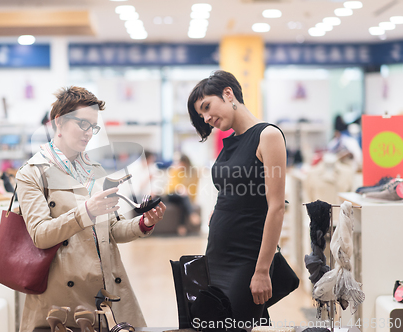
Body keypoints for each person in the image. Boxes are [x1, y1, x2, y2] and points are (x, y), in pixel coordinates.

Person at [16, 86, 166, 332]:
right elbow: (40, 235)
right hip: (62, 300)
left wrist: (144, 223)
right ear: (59, 123)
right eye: (82, 124)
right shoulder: (32, 173)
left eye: (93, 126)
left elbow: (112, 231)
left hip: (107, 294)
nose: (89, 133)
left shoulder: (94, 170)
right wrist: (86, 212)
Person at [187, 70, 287, 326]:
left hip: (248, 257)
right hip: (218, 252)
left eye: (207, 107)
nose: (207, 118)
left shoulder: (268, 136)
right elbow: (231, 192)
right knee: (214, 322)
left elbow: (276, 207)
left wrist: (263, 270)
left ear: (228, 93)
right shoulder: (229, 142)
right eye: (202, 115)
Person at [165, 153, 201, 236]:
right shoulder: (175, 170)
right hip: (171, 194)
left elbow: (194, 189)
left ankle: (181, 228)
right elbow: (173, 185)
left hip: (183, 197)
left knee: (183, 201)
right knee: (183, 196)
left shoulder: (193, 173)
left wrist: (192, 200)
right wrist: (181, 188)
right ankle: (191, 215)